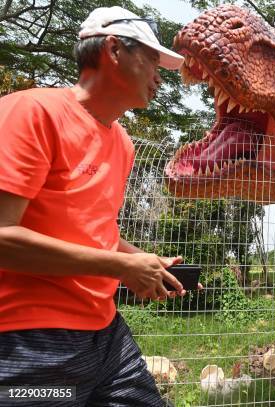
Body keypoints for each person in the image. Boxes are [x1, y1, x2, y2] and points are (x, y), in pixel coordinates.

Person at [0, 6, 187, 406]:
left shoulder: (123, 143)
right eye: (153, 59)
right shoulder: (31, 112)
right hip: (29, 338)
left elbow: (95, 232)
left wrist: (144, 263)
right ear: (114, 50)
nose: (160, 74)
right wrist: (120, 267)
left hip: (106, 334)